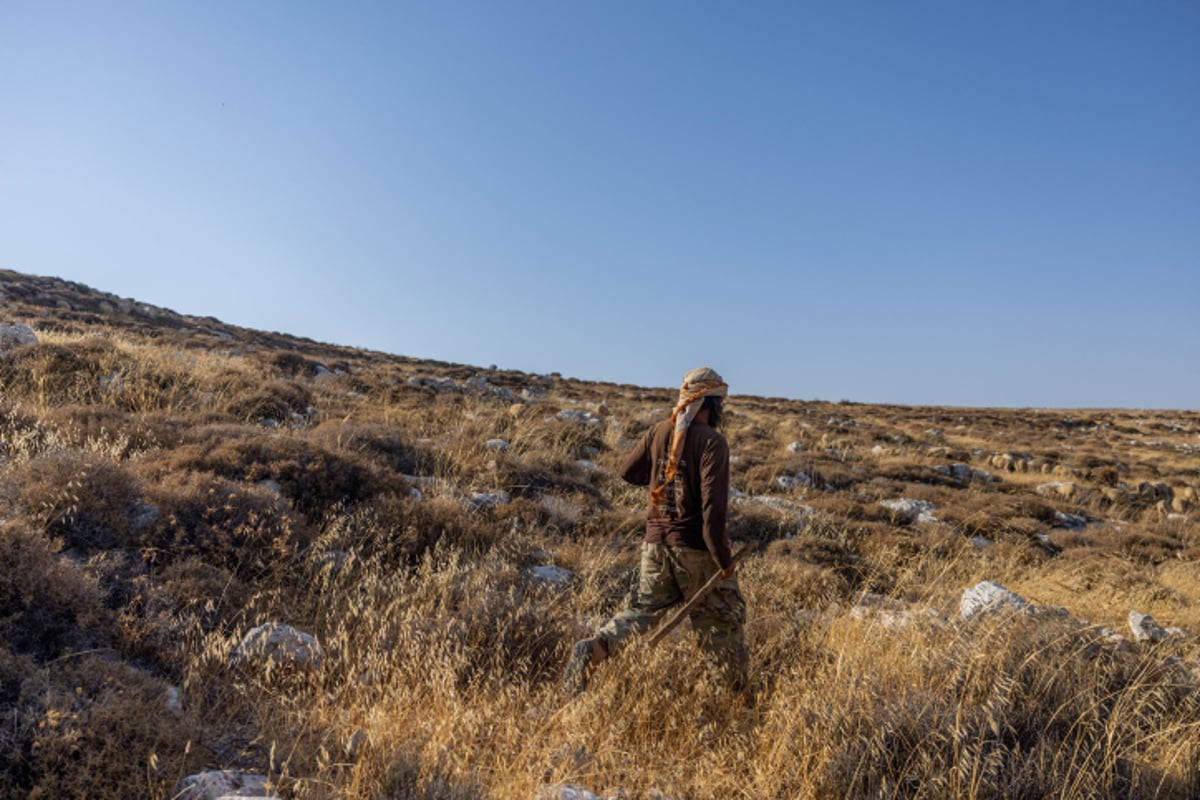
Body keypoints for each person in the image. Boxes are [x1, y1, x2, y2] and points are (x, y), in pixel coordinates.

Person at [563, 366, 749, 696]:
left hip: (655, 545)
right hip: (695, 550)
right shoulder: (713, 443)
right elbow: (713, 512)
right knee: (722, 623)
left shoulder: (658, 432)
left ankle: (596, 647)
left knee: (640, 611)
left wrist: (663, 475)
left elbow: (626, 472)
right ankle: (734, 704)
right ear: (713, 404)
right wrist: (723, 561)